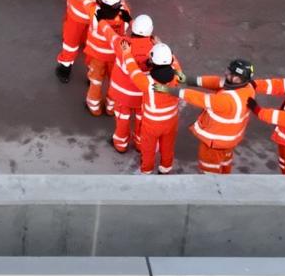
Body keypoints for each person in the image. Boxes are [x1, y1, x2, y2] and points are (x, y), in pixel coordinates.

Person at [177, 59, 256, 176]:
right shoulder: (247, 88)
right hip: (228, 142)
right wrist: (190, 80)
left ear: (238, 79)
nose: (226, 74)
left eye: (230, 74)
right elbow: (217, 82)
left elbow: (200, 98)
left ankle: (213, 191)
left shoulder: (226, 99)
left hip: (214, 145)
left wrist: (173, 91)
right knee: (225, 165)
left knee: (209, 173)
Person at [102, 13, 159, 154]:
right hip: (143, 96)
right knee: (141, 120)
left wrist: (101, 19)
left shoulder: (122, 44)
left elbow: (109, 34)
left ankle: (120, 144)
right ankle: (140, 144)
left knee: (122, 119)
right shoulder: (156, 50)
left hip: (122, 96)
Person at [127, 42, 185, 175]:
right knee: (168, 146)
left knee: (148, 149)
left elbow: (132, 70)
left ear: (153, 61)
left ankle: (147, 170)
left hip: (151, 125)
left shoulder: (147, 82)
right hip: (171, 122)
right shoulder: (178, 75)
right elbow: (175, 63)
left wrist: (126, 53)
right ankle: (165, 168)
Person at [82, 0, 130, 118]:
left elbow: (86, 0)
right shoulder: (124, 14)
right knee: (114, 83)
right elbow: (125, 9)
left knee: (96, 82)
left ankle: (94, 107)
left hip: (97, 56)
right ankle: (111, 108)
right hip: (115, 56)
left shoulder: (94, 12)